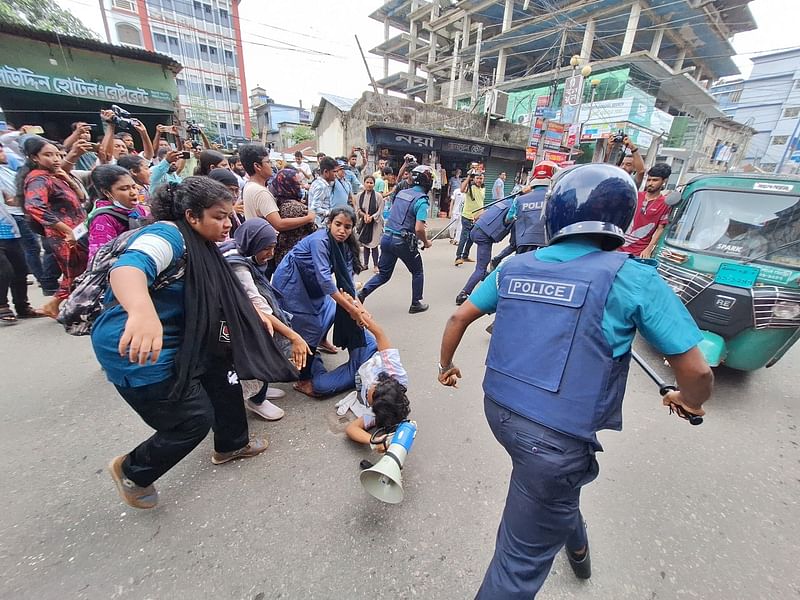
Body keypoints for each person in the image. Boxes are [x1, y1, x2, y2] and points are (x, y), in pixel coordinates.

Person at [438, 163, 713, 598]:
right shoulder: (631, 276)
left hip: (500, 413)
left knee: (550, 486)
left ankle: (577, 549)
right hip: (554, 442)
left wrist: (445, 366)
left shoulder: (515, 266)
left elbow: (459, 316)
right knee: (518, 562)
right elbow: (697, 372)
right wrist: (690, 401)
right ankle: (564, 535)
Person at [93, 177, 298, 510]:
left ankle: (232, 444)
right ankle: (133, 471)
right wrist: (142, 310)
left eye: (230, 215)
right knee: (192, 419)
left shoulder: (206, 243)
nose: (229, 223)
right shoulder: (167, 235)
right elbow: (129, 268)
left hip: (188, 337)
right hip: (138, 344)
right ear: (191, 216)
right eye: (219, 216)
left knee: (223, 373)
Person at [221, 219, 311, 420]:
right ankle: (256, 399)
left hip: (245, 318)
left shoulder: (244, 256)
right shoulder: (239, 268)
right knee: (260, 353)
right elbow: (259, 307)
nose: (271, 253)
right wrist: (293, 336)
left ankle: (260, 387)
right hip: (240, 324)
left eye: (273, 247)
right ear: (252, 243)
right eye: (266, 248)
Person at [272, 205, 367, 385]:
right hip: (292, 280)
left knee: (329, 310)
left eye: (347, 227)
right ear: (329, 223)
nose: (342, 230)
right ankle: (303, 378)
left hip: (311, 281)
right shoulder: (320, 241)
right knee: (310, 324)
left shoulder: (344, 246)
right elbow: (325, 280)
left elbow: (347, 281)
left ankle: (318, 342)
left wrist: (358, 308)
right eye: (338, 224)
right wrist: (352, 310)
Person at [20, 136, 88, 318]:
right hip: (64, 235)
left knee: (78, 269)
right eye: (48, 155)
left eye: (57, 154)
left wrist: (67, 178)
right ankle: (63, 305)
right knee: (75, 271)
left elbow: (82, 198)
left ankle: (57, 304)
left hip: (78, 231)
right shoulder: (38, 179)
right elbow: (34, 206)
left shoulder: (55, 176)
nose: (56, 159)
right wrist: (65, 229)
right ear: (35, 158)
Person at [358, 165, 432, 314]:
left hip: (387, 238)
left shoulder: (402, 193)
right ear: (428, 182)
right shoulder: (422, 200)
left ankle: (362, 293)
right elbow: (419, 229)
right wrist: (426, 242)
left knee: (383, 274)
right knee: (417, 271)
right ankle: (416, 303)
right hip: (402, 242)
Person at [454, 185, 521, 306]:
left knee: (483, 269)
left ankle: (488, 279)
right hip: (484, 236)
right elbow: (513, 243)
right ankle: (463, 294)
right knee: (480, 269)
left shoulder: (502, 202)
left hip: (475, 230)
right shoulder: (515, 210)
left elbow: (483, 213)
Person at [240, 143, 316, 234]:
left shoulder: (249, 186)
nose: (271, 165)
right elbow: (279, 224)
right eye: (268, 162)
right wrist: (309, 217)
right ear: (257, 166)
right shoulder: (261, 192)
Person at [87, 165, 151, 262]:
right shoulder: (103, 219)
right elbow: (100, 260)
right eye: (125, 189)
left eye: (134, 187)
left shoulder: (139, 209)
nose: (133, 192)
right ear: (107, 193)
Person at [0, 199, 45, 323]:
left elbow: (10, 199)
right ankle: (2, 305)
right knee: (4, 270)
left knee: (20, 269)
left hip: (9, 231)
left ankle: (22, 306)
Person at [620, 162, 672, 258]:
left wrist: (649, 249)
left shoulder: (665, 203)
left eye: (655, 180)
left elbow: (660, 229)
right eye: (649, 180)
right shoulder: (636, 195)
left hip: (638, 253)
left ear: (664, 181)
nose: (650, 183)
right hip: (618, 247)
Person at [268, 167, 315, 265]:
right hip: (298, 258)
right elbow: (313, 229)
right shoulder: (296, 208)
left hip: (283, 257)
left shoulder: (278, 203)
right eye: (297, 184)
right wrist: (310, 216)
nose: (301, 186)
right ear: (289, 185)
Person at [455, 170, 485, 266]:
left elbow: (480, 202)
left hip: (478, 218)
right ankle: (458, 257)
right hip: (467, 217)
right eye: (477, 178)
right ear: (474, 179)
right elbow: (462, 189)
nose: (479, 180)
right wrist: (468, 177)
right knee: (464, 237)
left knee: (471, 238)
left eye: (481, 178)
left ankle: (465, 255)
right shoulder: (471, 188)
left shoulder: (483, 189)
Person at [356, 175, 384, 272]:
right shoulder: (359, 195)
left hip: (375, 223)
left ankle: (376, 265)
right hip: (364, 222)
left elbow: (380, 210)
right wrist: (364, 216)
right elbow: (358, 209)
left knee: (374, 244)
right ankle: (366, 264)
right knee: (366, 243)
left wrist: (372, 217)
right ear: (364, 183)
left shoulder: (378, 196)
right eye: (367, 182)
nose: (369, 185)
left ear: (374, 184)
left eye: (371, 183)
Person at [308, 156, 337, 227]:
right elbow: (315, 209)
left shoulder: (318, 183)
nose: (336, 174)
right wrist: (331, 212)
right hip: (320, 225)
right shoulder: (321, 186)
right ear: (326, 172)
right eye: (334, 171)